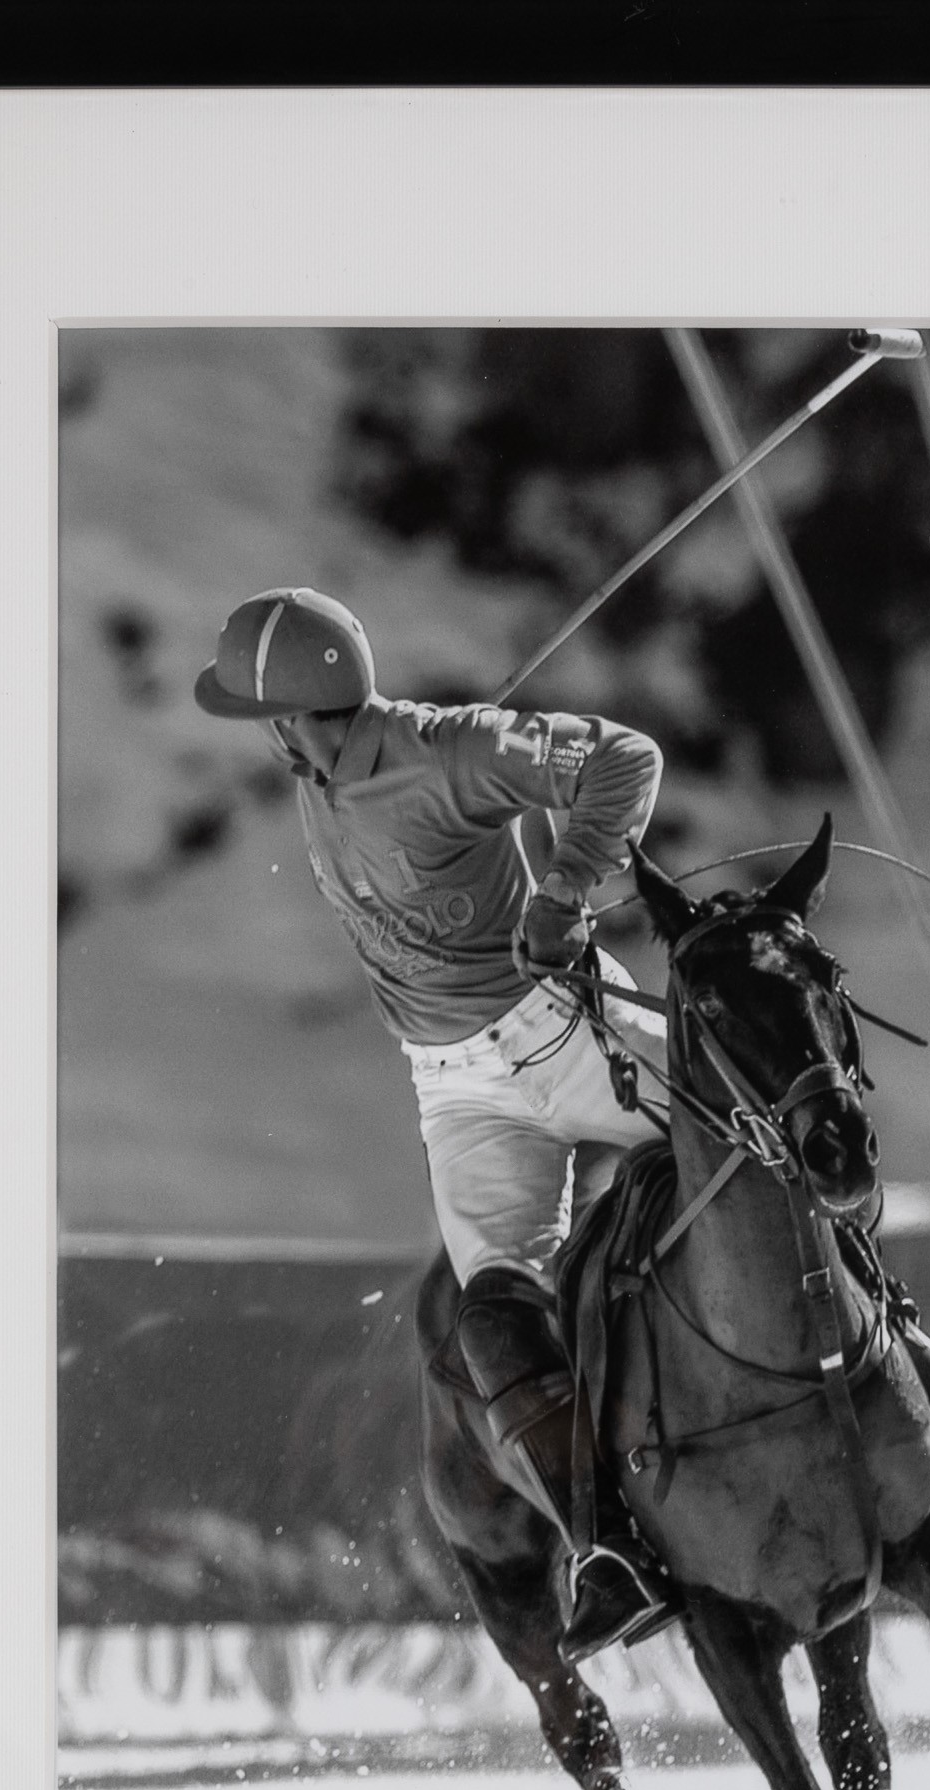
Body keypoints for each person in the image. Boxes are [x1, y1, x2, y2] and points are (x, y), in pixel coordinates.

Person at [193, 585, 680, 1664]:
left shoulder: (451, 750)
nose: (265, 739)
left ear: (292, 717)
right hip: (458, 1087)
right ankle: (612, 1550)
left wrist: (562, 890)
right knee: (490, 1315)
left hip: (561, 1031)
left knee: (756, 1137)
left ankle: (896, 1350)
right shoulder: (323, 776)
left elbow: (625, 760)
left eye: (262, 717)